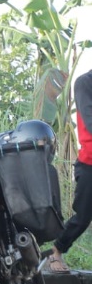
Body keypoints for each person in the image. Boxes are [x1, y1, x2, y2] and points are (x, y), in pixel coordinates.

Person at [50, 71, 92, 273]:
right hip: (90, 163)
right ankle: (56, 250)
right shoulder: (85, 82)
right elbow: (90, 122)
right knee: (83, 217)